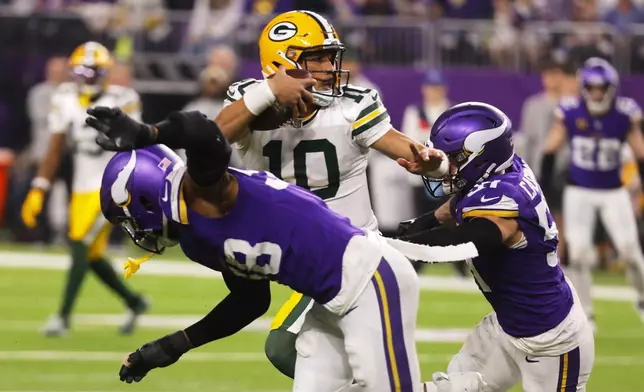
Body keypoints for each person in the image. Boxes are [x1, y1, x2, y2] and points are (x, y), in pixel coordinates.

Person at [86, 107, 486, 392]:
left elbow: (205, 133)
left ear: (144, 196)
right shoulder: (194, 239)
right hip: (327, 301)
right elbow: (249, 300)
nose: (136, 231)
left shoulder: (202, 190)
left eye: (130, 218)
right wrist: (173, 346)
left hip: (369, 279)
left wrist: (148, 134)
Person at [215, 10, 445, 379]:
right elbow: (215, 136)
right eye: (317, 58)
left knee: (285, 347)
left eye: (329, 57)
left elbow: (412, 151)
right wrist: (272, 93)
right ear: (283, 61)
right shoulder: (247, 100)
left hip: (352, 251)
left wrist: (435, 165)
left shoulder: (352, 106)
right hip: (302, 256)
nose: (329, 66)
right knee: (345, 366)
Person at [398, 102, 595, 391]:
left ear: (481, 156)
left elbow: (465, 240)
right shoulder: (499, 169)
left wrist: (394, 247)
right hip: (506, 325)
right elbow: (463, 203)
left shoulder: (504, 200)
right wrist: (424, 221)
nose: (446, 166)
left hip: (551, 341)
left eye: (453, 158)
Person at [20, 41, 148, 337]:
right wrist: (39, 187)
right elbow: (55, 148)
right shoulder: (63, 98)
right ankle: (135, 301)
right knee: (89, 255)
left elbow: (137, 144)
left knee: (79, 242)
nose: (86, 78)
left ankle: (63, 318)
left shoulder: (125, 98)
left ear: (105, 73)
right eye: (81, 72)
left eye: (93, 72)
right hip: (81, 187)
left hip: (112, 184)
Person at [541, 57, 644, 329]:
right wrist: (546, 190)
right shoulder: (570, 111)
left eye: (602, 87)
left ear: (611, 88)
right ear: (584, 87)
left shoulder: (624, 114)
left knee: (630, 250)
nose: (597, 93)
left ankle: (643, 297)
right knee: (579, 251)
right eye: (592, 87)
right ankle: (585, 311)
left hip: (614, 191)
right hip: (579, 190)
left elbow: (640, 152)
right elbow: (550, 148)